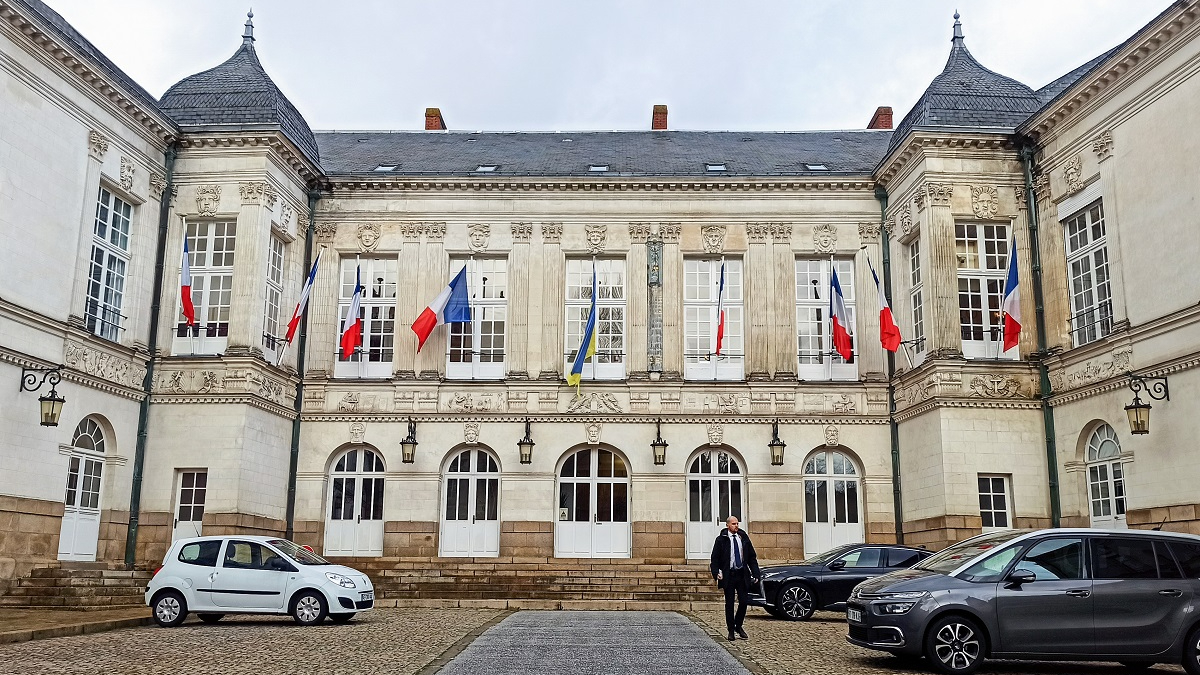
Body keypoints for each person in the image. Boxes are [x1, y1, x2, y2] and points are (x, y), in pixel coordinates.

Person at [710, 515, 760, 641]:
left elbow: (751, 557)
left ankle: (739, 625)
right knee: (730, 604)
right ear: (727, 525)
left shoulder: (743, 538)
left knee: (743, 601)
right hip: (729, 575)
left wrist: (756, 573)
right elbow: (715, 558)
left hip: (742, 574)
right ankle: (731, 629)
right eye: (733, 524)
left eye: (737, 523)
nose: (736, 526)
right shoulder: (721, 539)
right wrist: (716, 572)